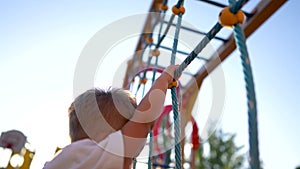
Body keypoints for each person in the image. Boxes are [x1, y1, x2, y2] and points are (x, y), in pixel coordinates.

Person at [43, 64, 180, 169]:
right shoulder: (93, 156)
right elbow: (143, 121)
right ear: (106, 136)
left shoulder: (65, 160)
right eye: (126, 131)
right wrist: (164, 79)